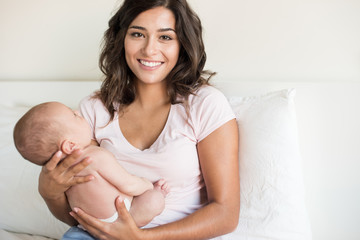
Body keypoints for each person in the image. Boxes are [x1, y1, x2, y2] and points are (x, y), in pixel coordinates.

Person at [37, 0, 240, 239]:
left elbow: (226, 214)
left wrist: (140, 237)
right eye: (137, 34)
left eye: (165, 37)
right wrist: (50, 193)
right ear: (121, 39)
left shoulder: (204, 104)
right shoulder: (93, 110)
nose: (149, 50)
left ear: (182, 44)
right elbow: (81, 213)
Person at [13, 101, 170, 239]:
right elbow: (128, 184)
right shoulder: (95, 157)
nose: (78, 112)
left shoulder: (60, 173)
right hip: (122, 219)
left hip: (86, 229)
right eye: (74, 115)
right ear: (70, 145)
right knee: (154, 201)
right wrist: (149, 186)